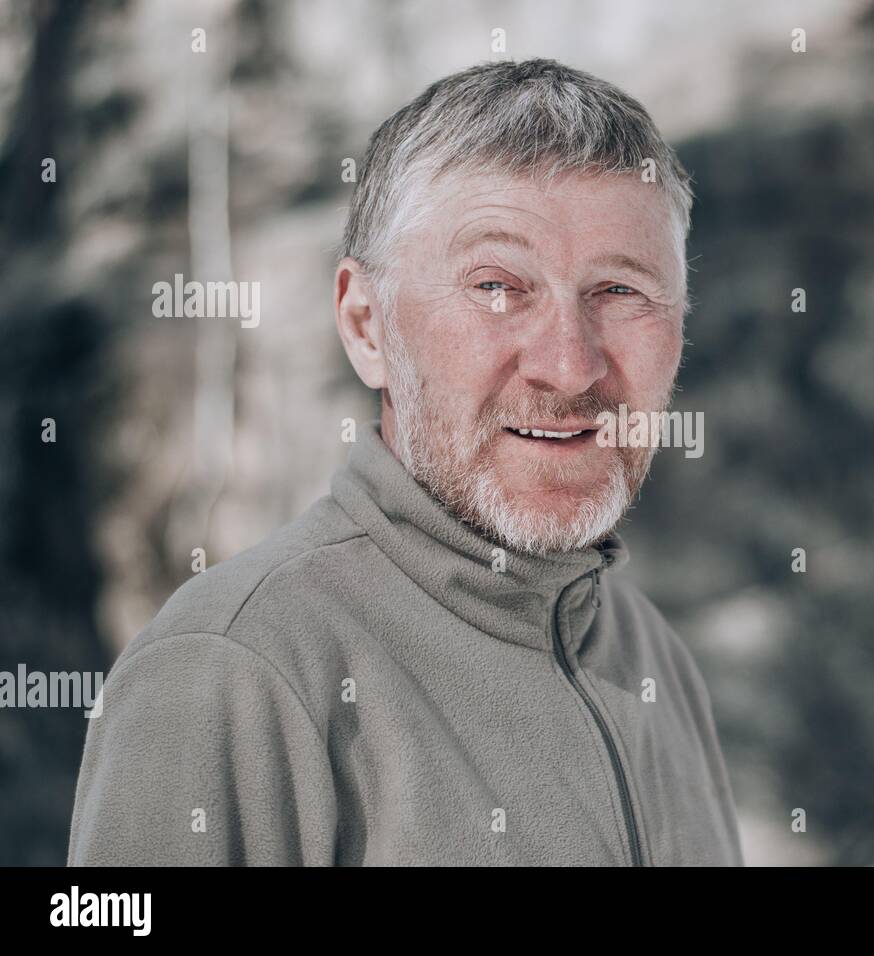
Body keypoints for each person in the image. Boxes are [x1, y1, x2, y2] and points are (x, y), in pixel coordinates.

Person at [67, 58, 743, 866]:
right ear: (366, 327)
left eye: (621, 292)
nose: (570, 366)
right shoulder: (229, 674)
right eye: (497, 287)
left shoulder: (650, 655)